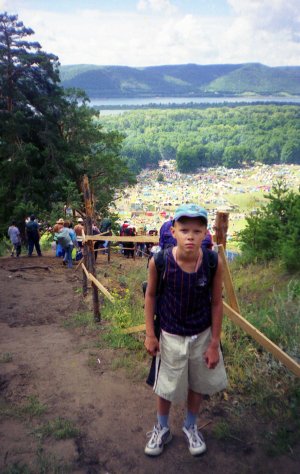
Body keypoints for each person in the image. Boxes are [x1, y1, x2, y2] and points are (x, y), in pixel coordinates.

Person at [144, 203, 227, 457]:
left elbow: (216, 302)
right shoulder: (160, 261)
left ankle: (191, 426)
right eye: (184, 230)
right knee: (166, 386)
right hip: (169, 333)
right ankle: (162, 427)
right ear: (174, 231)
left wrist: (214, 343)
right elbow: (150, 296)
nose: (190, 236)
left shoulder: (213, 262)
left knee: (198, 383)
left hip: (201, 334)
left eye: (196, 231)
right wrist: (150, 333)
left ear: (204, 234)